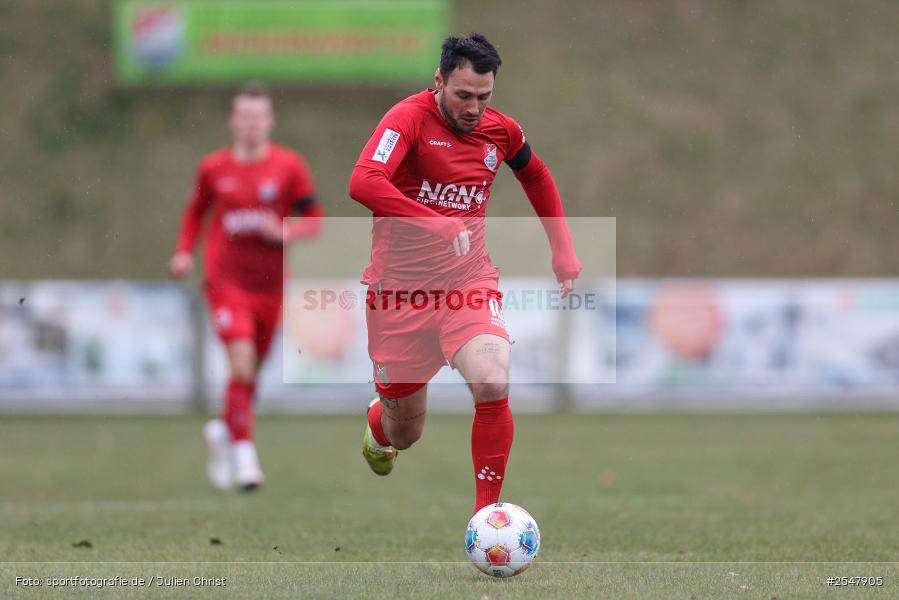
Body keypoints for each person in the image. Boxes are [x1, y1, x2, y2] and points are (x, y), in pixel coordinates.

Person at [348, 34, 580, 513]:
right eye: (463, 95)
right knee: (404, 434)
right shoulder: (407, 119)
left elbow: (535, 174)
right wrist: (433, 220)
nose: (474, 108)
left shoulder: (502, 132)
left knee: (493, 381)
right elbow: (363, 181)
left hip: (466, 285)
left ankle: (488, 516)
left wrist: (562, 248)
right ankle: (378, 425)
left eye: (484, 96)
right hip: (399, 299)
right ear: (438, 81)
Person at [170, 83, 323, 491]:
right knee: (240, 363)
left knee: (250, 373)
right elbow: (195, 212)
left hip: (271, 286)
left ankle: (223, 431)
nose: (252, 124)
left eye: (259, 117)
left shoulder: (289, 167)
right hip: (226, 281)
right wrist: (185, 252)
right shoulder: (214, 168)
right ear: (233, 121)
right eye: (245, 117)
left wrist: (287, 231)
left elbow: (315, 219)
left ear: (269, 121)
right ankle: (245, 459)